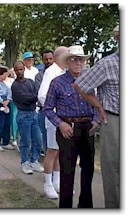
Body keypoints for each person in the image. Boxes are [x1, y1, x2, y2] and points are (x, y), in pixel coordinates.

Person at [43, 45, 99, 208]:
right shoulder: (57, 82)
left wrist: (95, 121)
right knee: (67, 173)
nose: (78, 63)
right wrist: (60, 124)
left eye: (80, 59)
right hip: (68, 129)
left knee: (88, 170)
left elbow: (96, 105)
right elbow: (47, 108)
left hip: (87, 128)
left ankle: (86, 207)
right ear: (67, 62)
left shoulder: (89, 83)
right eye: (74, 59)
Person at [73, 25, 120, 208]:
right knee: (114, 170)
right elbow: (80, 86)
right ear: (117, 38)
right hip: (115, 120)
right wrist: (100, 107)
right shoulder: (107, 63)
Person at [38, 46, 68, 199]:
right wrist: (56, 112)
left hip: (64, 119)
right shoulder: (52, 72)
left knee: (59, 151)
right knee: (52, 150)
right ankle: (48, 184)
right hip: (54, 118)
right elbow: (43, 95)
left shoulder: (63, 72)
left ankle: (57, 182)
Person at [11, 61, 42, 175]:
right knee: (25, 140)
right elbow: (24, 98)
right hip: (23, 114)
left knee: (38, 139)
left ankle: (34, 160)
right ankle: (25, 162)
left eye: (21, 69)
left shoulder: (30, 82)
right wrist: (33, 97)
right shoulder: (15, 86)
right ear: (14, 71)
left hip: (34, 113)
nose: (19, 72)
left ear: (24, 69)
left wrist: (33, 96)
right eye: (17, 70)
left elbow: (36, 93)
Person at [23, 51, 44, 172]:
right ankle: (25, 160)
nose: (30, 61)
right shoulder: (21, 70)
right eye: (28, 59)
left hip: (36, 102)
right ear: (24, 60)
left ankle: (34, 159)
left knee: (37, 135)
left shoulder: (36, 70)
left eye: (32, 59)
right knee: (26, 135)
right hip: (25, 104)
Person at [0, 67, 15, 151]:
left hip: (6, 103)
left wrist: (7, 101)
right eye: (5, 74)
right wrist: (2, 101)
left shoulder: (4, 84)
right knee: (0, 123)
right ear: (1, 74)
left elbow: (9, 92)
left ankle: (6, 142)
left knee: (7, 123)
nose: (6, 76)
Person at [35, 49, 54, 155]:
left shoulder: (60, 73)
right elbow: (40, 94)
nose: (48, 61)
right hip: (44, 110)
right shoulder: (39, 76)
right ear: (42, 60)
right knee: (47, 139)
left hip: (60, 112)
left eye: (50, 58)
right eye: (46, 59)